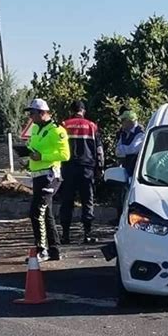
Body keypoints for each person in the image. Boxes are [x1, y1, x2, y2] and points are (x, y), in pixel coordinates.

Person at [25, 98, 70, 261]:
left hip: (50, 175)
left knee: (36, 212)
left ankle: (42, 250)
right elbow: (33, 147)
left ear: (43, 112)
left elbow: (65, 155)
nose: (31, 116)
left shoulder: (57, 130)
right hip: (38, 176)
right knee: (46, 213)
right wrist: (26, 152)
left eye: (33, 113)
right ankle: (54, 249)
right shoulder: (36, 129)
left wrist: (42, 156)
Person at [59, 100, 104, 244]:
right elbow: (99, 150)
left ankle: (65, 235)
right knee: (87, 201)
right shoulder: (91, 126)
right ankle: (87, 234)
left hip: (68, 168)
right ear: (83, 111)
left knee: (67, 201)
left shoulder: (64, 125)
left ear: (71, 111)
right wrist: (100, 168)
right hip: (87, 168)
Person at [114, 108, 145, 221]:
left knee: (132, 196)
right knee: (122, 194)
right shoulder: (123, 133)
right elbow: (117, 151)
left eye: (123, 121)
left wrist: (123, 149)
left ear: (129, 121)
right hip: (126, 168)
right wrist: (124, 150)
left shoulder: (140, 132)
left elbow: (134, 149)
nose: (121, 124)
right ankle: (120, 218)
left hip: (136, 169)